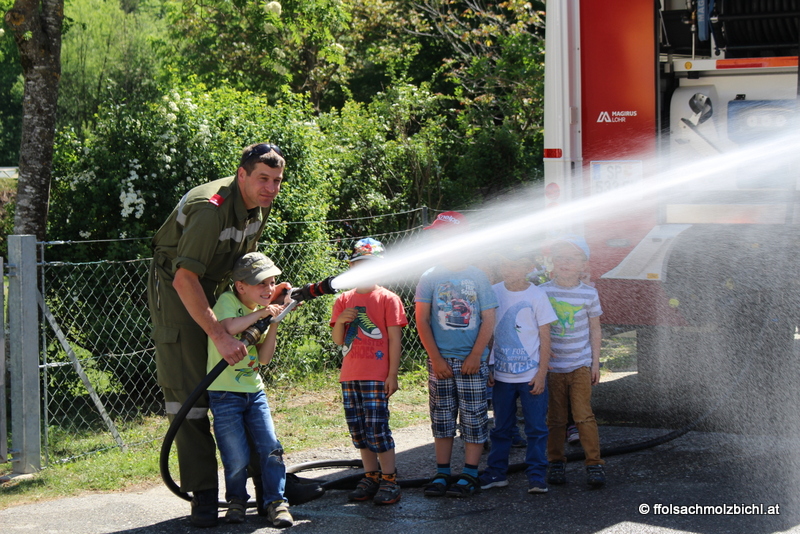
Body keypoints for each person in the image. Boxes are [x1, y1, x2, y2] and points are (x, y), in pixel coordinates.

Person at [147, 143, 322, 527]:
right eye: (263, 179)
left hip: (223, 285)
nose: (271, 188)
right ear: (241, 175)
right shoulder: (209, 209)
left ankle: (270, 489)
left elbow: (243, 262)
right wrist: (220, 335)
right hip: (179, 287)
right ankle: (204, 494)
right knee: (190, 392)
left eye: (277, 180)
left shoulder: (260, 202)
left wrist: (263, 296)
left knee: (242, 383)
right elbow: (185, 279)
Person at [414, 211, 498, 497]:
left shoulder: (477, 276)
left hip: (472, 362)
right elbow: (422, 320)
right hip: (440, 363)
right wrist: (436, 359)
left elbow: (489, 318)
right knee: (442, 418)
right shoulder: (429, 277)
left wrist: (476, 355)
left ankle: (470, 473)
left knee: (474, 418)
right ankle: (442, 472)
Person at [206, 252, 293, 527]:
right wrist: (263, 313)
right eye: (261, 284)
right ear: (241, 286)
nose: (268, 289)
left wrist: (274, 322)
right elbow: (228, 327)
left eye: (272, 282)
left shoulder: (262, 311)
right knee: (236, 456)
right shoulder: (228, 301)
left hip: (254, 392)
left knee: (271, 447)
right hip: (224, 393)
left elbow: (264, 358)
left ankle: (276, 502)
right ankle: (236, 502)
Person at [330, 238, 408, 505]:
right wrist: (341, 321)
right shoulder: (343, 299)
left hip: (376, 376)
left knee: (377, 428)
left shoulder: (388, 299)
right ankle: (370, 476)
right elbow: (338, 341)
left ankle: (389, 479)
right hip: (350, 375)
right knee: (358, 429)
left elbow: (395, 339)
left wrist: (392, 374)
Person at [479, 248, 558, 494]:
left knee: (536, 428)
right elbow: (488, 331)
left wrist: (541, 373)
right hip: (501, 376)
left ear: (527, 268)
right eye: (504, 265)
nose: (508, 270)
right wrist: (489, 365)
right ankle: (496, 473)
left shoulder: (537, 295)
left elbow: (545, 337)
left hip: (531, 376)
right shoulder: (494, 292)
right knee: (501, 427)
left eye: (514, 265)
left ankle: (536, 475)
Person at [539, 235, 606, 488]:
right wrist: (542, 356)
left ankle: (594, 463)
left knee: (583, 415)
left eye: (571, 258)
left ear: (583, 264)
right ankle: (556, 461)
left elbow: (595, 329)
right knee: (556, 417)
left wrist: (595, 363)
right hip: (553, 367)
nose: (565, 263)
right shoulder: (543, 292)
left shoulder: (589, 293)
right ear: (552, 262)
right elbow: (537, 328)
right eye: (559, 258)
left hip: (580, 364)